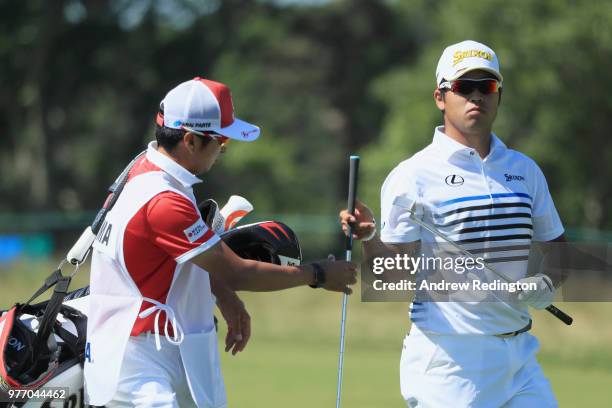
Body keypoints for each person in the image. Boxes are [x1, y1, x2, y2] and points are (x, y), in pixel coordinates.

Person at [85, 77, 357, 408]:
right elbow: (237, 271)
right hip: (137, 359)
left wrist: (224, 298)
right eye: (221, 143)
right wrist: (317, 274)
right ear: (190, 140)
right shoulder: (164, 200)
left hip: (152, 347)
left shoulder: (148, 170)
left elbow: (187, 263)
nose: (221, 152)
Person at [339, 41, 566, 407]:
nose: (476, 96)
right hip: (449, 363)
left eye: (487, 87)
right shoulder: (412, 176)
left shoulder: (525, 170)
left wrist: (547, 281)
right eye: (463, 87)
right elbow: (390, 276)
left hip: (520, 356)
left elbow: (558, 249)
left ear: (499, 96)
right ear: (441, 97)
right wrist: (369, 237)